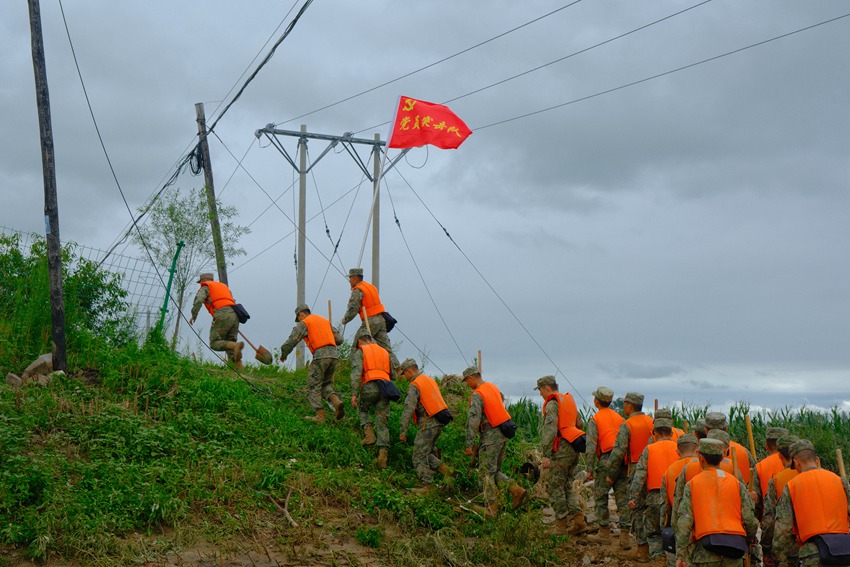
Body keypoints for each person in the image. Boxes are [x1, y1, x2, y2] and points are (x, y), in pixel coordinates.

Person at [675, 438, 758, 567]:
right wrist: (747, 541)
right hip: (734, 549)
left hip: (705, 551)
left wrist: (681, 554)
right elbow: (749, 519)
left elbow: (685, 522)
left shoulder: (692, 484)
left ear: (701, 457)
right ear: (722, 457)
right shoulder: (737, 484)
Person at [462, 365, 528, 518]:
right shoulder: (493, 388)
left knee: (485, 473)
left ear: (471, 378)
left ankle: (491, 508)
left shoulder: (478, 394)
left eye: (467, 381)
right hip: (502, 433)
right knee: (494, 471)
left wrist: (469, 444)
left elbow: (473, 420)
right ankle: (516, 490)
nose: (467, 385)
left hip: (490, 436)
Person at [773, 439, 850, 567]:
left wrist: (780, 559)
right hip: (843, 551)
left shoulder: (792, 486)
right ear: (817, 460)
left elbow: (782, 529)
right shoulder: (840, 481)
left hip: (813, 554)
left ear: (796, 463)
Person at [535, 375, 590, 535]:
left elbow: (550, 430)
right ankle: (579, 521)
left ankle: (561, 524)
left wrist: (546, 454)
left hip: (561, 450)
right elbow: (580, 423)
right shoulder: (568, 401)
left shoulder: (552, 404)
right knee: (566, 485)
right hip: (574, 448)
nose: (540, 394)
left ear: (547, 388)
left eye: (540, 390)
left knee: (554, 486)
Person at [279, 304, 344, 423]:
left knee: (313, 385)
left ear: (301, 314)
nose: (299, 320)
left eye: (298, 318)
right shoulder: (324, 321)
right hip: (334, 356)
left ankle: (320, 416)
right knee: (326, 384)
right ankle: (336, 401)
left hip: (320, 356)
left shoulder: (305, 322)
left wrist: (284, 354)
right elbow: (339, 339)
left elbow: (292, 340)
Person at [607, 392, 654, 552]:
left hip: (635, 468)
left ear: (629, 406)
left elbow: (618, 452)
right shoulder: (652, 422)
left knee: (636, 508)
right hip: (654, 467)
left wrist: (611, 474)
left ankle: (641, 548)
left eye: (624, 403)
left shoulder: (627, 425)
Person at [630, 417, 680, 562]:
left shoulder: (649, 449)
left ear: (654, 434)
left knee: (654, 533)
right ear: (671, 433)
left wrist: (633, 497)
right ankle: (672, 560)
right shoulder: (679, 449)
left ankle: (657, 559)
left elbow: (640, 475)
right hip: (675, 497)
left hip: (655, 497)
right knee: (673, 531)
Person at [398, 358, 451, 493]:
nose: (405, 377)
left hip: (428, 422)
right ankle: (448, 472)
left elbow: (409, 408)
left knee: (418, 455)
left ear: (409, 371)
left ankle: (428, 486)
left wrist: (403, 430)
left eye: (404, 374)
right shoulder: (429, 380)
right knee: (426, 453)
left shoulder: (415, 384)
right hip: (439, 421)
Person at [586, 386, 627, 546]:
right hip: (622, 460)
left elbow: (591, 446)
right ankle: (625, 537)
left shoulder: (595, 419)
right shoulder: (620, 418)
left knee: (601, 495)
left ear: (596, 401)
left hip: (606, 460)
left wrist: (589, 469)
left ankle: (604, 533)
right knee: (622, 498)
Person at [339, 268, 399, 373]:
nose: (349, 281)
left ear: (355, 278)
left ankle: (354, 370)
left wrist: (345, 319)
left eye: (350, 278)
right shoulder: (371, 287)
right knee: (386, 348)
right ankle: (398, 370)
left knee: (358, 345)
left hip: (370, 321)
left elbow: (353, 308)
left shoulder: (358, 290)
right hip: (381, 320)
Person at [350, 335, 393, 469]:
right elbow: (394, 373)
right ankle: (383, 456)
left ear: (360, 341)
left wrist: (354, 394)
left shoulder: (361, 351)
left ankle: (369, 435)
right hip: (385, 388)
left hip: (370, 386)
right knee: (382, 421)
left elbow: (356, 373)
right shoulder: (384, 351)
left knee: (363, 409)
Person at [189, 273, 244, 370]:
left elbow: (199, 300)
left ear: (203, 281)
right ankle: (240, 370)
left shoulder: (206, 287)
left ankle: (235, 345)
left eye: (200, 282)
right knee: (230, 345)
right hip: (235, 315)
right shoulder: (224, 287)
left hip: (223, 314)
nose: (200, 284)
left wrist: (194, 315)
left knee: (214, 343)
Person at [661, 433, 699, 567]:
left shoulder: (668, 472)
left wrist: (664, 528)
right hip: (704, 527)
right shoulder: (703, 467)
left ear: (677, 452)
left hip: (681, 526)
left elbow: (666, 506)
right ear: (698, 449)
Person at [761, 434, 799, 567]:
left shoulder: (776, 480)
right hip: (822, 544)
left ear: (780, 456)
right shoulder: (824, 476)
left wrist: (766, 547)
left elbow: (770, 519)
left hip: (788, 545)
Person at [704, 412, 756, 484]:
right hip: (739, 490)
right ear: (726, 430)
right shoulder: (744, 451)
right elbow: (755, 476)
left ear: (706, 431)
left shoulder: (699, 452)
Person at [751, 427, 789, 516]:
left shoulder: (759, 467)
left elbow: (756, 500)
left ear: (767, 447)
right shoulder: (798, 463)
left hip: (770, 517)